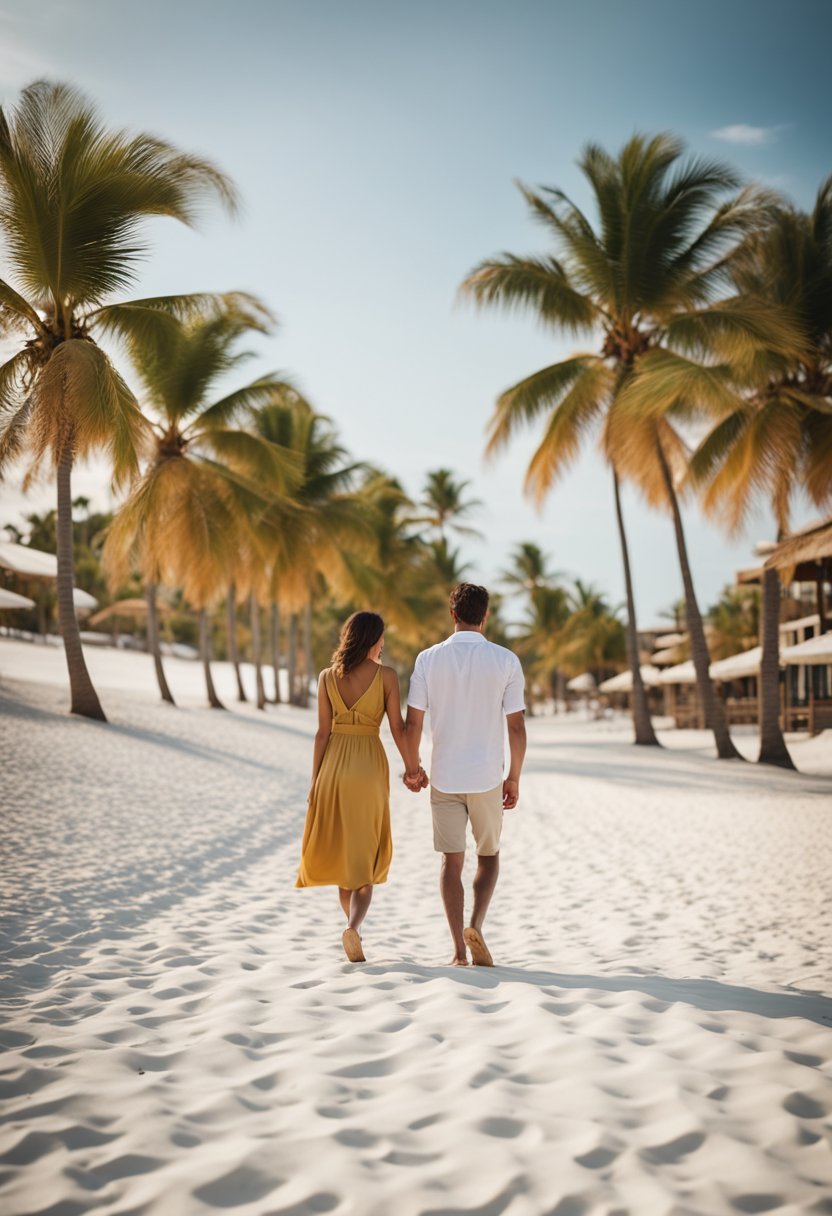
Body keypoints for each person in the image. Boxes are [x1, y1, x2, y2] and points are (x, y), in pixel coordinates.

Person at [402, 583, 526, 967]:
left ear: (452, 615)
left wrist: (413, 769)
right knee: (488, 856)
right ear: (485, 616)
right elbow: (517, 728)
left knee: (451, 863)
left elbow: (413, 725)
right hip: (487, 776)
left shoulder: (427, 659)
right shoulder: (506, 660)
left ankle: (458, 950)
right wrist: (514, 777)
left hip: (445, 777)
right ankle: (475, 924)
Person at [296, 610, 419, 963]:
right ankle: (354, 926)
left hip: (333, 767)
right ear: (373, 639)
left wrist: (315, 782)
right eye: (382, 638)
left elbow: (322, 733)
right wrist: (413, 769)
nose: (384, 645)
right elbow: (398, 729)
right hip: (368, 766)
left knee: (346, 862)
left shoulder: (325, 678)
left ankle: (354, 927)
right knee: (367, 861)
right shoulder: (388, 677)